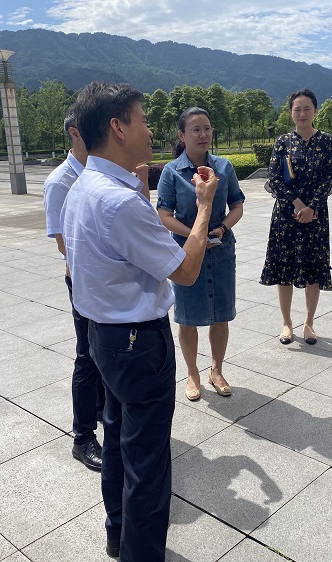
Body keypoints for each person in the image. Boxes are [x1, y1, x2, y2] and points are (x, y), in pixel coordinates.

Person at [60, 81, 216, 562]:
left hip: (103, 337)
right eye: (143, 120)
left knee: (118, 442)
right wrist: (204, 207)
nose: (150, 131)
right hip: (138, 343)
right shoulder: (119, 201)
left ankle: (117, 534)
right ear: (117, 127)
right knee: (148, 463)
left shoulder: (82, 186)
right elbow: (185, 270)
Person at [157, 107, 244, 401]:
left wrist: (221, 228)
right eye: (195, 129)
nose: (203, 134)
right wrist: (195, 235)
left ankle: (216, 370)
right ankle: (192, 373)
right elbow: (164, 215)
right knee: (187, 318)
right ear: (182, 135)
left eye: (207, 128)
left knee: (221, 316)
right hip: (185, 251)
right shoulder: (171, 171)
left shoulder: (224, 168)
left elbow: (237, 207)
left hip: (221, 251)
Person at [42, 104, 105, 472]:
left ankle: (102, 411)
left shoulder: (100, 172)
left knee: (103, 353)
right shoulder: (60, 181)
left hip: (105, 279)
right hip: (82, 280)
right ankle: (82, 438)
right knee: (87, 355)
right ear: (75, 133)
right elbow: (64, 243)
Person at [260, 88, 332, 345]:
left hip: (315, 216)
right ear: (291, 112)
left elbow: (329, 178)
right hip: (286, 214)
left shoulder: (326, 141)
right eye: (297, 109)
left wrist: (311, 207)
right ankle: (286, 323)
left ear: (315, 111)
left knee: (313, 267)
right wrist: (297, 204)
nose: (302, 113)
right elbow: (274, 178)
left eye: (307, 109)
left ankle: (309, 322)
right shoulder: (283, 142)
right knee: (284, 268)